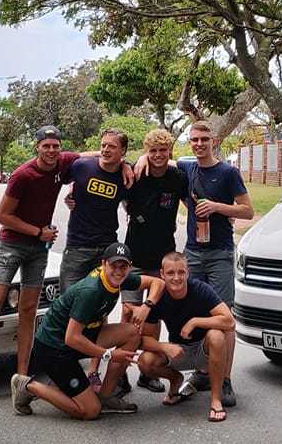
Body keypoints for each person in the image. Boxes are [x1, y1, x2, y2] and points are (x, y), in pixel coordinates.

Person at [0, 126, 130, 409]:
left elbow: (94, 155)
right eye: (46, 146)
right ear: (37, 147)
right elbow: (3, 216)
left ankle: (22, 376)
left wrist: (123, 162)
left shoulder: (64, 163)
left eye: (55, 146)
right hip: (12, 245)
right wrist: (37, 232)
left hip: (39, 249)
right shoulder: (22, 175)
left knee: (28, 310)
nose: (51, 151)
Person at [10, 243, 165, 419]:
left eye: (123, 266)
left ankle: (106, 397)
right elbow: (71, 338)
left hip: (79, 337)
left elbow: (158, 283)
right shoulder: (91, 291)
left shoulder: (120, 278)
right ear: (103, 263)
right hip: (54, 348)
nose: (118, 271)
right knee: (90, 411)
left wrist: (146, 306)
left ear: (129, 267)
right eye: (113, 265)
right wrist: (108, 355)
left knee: (132, 333)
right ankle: (27, 386)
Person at [179, 120, 251, 406]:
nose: (199, 144)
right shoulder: (187, 168)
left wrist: (218, 207)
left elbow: (247, 211)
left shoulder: (228, 173)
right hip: (193, 253)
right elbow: (159, 157)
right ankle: (202, 372)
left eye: (204, 139)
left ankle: (226, 379)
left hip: (219, 253)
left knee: (224, 317)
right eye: (194, 140)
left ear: (214, 141)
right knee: (196, 312)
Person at [117, 128, 188, 394]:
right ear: (146, 152)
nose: (158, 155)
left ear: (170, 151)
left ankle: (147, 373)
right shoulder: (136, 174)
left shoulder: (178, 177)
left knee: (152, 314)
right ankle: (119, 373)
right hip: (134, 256)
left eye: (163, 150)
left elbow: (192, 202)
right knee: (128, 313)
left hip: (163, 258)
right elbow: (118, 192)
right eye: (153, 151)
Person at [136, 252, 236, 423]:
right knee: (144, 361)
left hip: (205, 351)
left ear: (188, 272)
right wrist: (164, 347)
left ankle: (216, 399)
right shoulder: (158, 297)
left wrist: (195, 322)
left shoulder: (200, 289)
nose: (176, 278)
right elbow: (142, 340)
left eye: (181, 272)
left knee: (217, 335)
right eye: (170, 273)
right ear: (162, 274)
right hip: (178, 350)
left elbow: (230, 321)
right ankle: (176, 379)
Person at [59, 128, 135, 292]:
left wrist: (125, 164)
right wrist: (70, 194)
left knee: (100, 300)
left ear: (123, 151)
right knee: (69, 299)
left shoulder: (126, 177)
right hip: (77, 247)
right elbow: (63, 165)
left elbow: (130, 204)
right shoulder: (81, 167)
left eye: (112, 147)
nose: (106, 150)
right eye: (103, 145)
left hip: (106, 248)